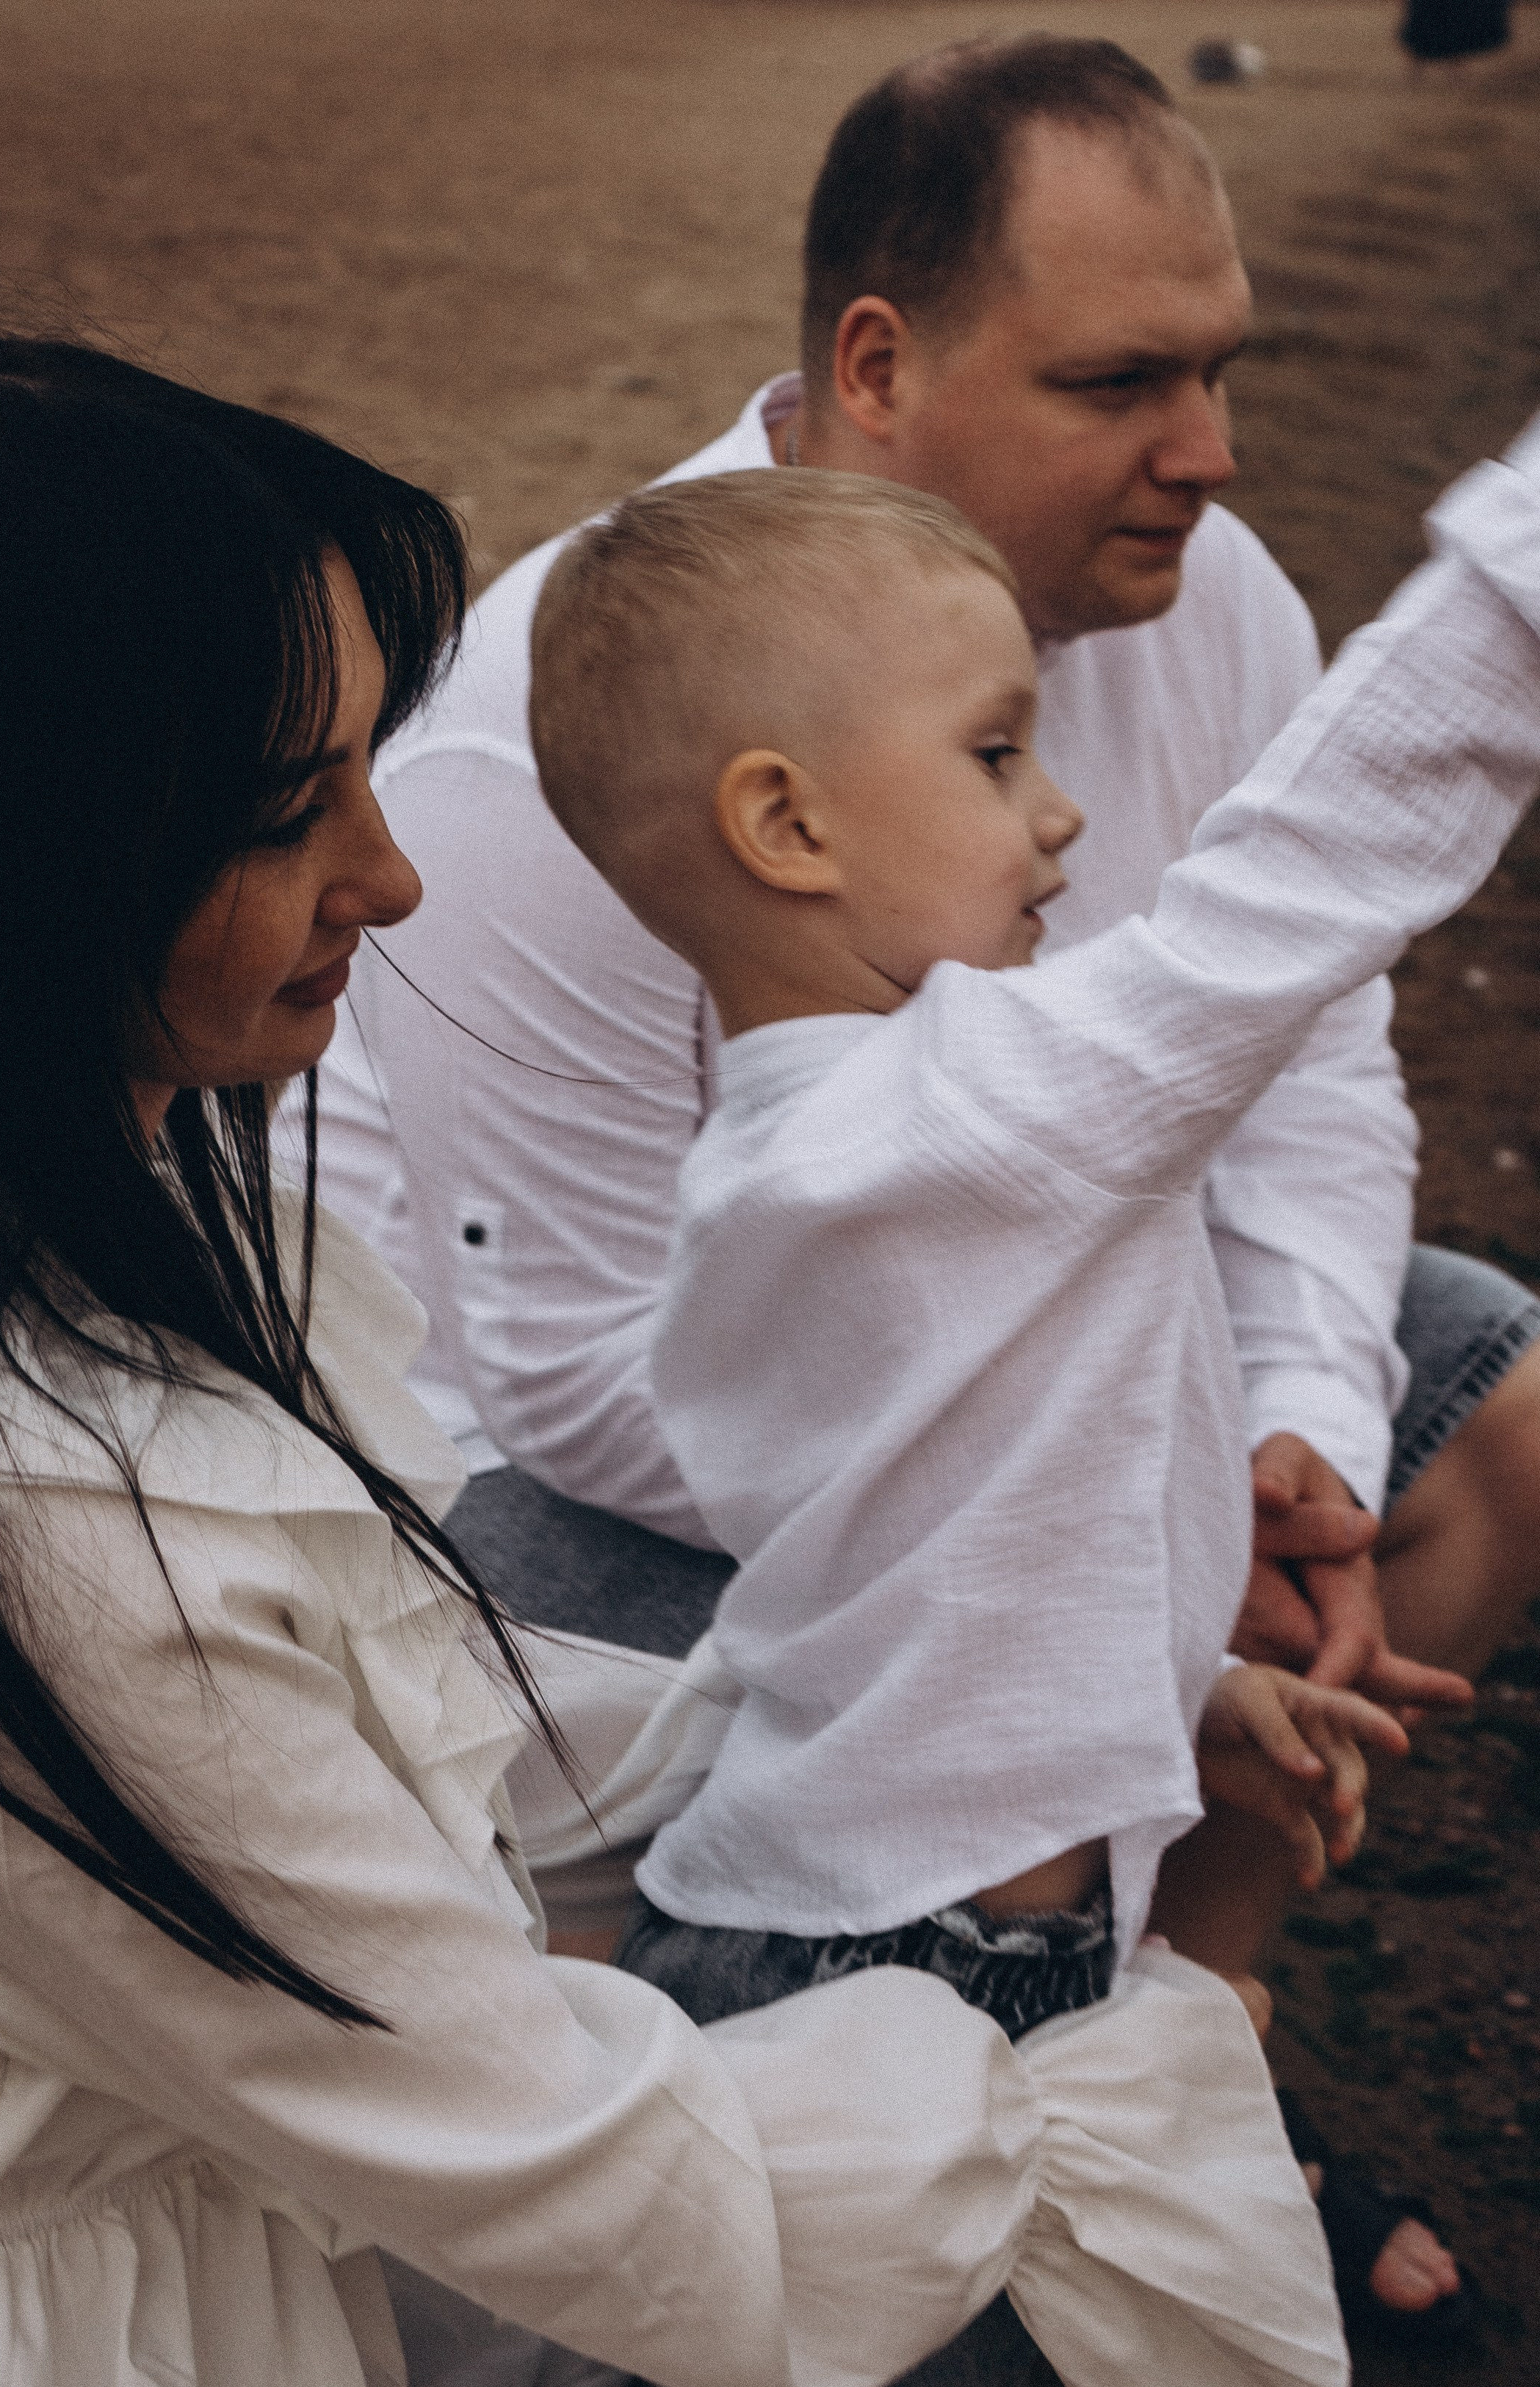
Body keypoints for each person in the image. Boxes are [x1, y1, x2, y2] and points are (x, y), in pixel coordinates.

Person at [305, 30, 1539, 2325]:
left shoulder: (1209, 605)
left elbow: (1306, 1071)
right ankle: (1113, 2053)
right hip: (554, 1523)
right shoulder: (572, 740)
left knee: (1484, 1383)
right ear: (880, 363)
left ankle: (1179, 2024)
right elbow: (577, 1382)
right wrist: (1131, 1556)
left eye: (1226, 368)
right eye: (1121, 381)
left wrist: (1280, 1432)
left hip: (988, 1459)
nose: (1214, 451)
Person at [0, 333, 1227, 2387]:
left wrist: (1010, 1700)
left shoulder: (124, 1205)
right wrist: (1077, 2053)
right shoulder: (50, 1520)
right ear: (29, 861)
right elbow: (585, 2169)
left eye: (374, 765)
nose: (395, 873)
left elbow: (401, 1711)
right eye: (296, 808)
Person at [525, 444, 1540, 2368]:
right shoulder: (958, 1114)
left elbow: (937, 1562)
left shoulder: (799, 1161)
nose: (1065, 815)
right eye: (997, 754)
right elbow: (1308, 874)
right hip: (896, 1985)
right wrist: (1514, 572)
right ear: (788, 822)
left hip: (889, 1928)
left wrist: (1178, 1685)